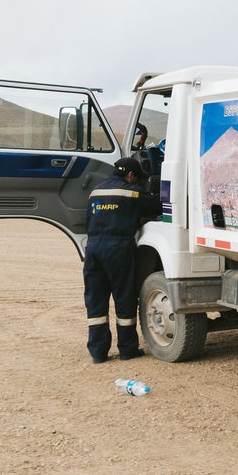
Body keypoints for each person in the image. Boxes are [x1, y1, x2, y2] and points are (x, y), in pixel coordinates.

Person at [84, 156, 162, 363]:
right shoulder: (133, 192)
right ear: (129, 175)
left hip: (93, 248)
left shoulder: (96, 191)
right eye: (136, 178)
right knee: (124, 297)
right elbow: (158, 205)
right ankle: (127, 350)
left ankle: (98, 352)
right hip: (117, 248)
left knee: (95, 300)